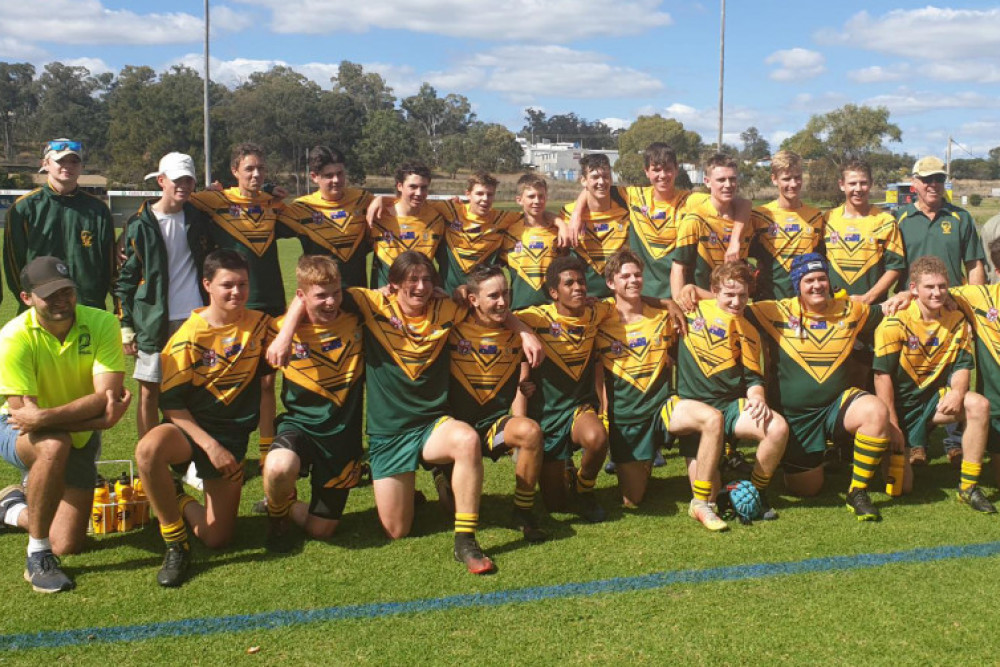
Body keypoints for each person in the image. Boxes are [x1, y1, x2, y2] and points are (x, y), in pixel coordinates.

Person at [269, 251, 541, 573]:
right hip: (389, 433)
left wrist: (523, 330)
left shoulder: (446, 309)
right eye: (412, 281)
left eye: (427, 280)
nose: (422, 287)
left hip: (431, 425)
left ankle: (465, 540)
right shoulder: (369, 304)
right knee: (397, 531)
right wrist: (285, 335)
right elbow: (313, 294)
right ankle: (290, 506)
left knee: (467, 439)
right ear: (393, 285)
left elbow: (490, 307)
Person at [135, 249, 273, 587]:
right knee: (149, 449)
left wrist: (265, 449)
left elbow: (304, 315)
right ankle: (175, 541)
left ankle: (176, 497)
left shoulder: (260, 326)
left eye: (242, 284)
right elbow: (172, 406)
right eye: (227, 285)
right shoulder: (186, 338)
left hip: (233, 437)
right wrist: (210, 447)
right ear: (207, 285)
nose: (237, 292)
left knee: (217, 539)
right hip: (190, 433)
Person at [0, 256, 128, 593]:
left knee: (67, 543)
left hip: (77, 432)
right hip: (19, 432)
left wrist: (50, 415)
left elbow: (108, 394)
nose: (61, 299)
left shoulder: (101, 322)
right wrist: (98, 418)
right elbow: (25, 416)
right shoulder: (13, 336)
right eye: (49, 294)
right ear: (26, 298)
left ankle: (12, 508)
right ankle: (36, 557)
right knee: (54, 445)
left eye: (66, 290)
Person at [743, 253, 894, 520]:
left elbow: (886, 310)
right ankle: (796, 458)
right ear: (797, 285)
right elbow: (729, 305)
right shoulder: (775, 310)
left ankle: (857, 491)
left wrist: (906, 297)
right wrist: (684, 294)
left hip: (837, 408)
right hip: (797, 418)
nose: (817, 285)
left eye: (822, 278)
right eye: (809, 280)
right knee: (808, 489)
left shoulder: (850, 309)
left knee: (875, 411)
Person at [595, 250, 731, 531]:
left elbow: (721, 300)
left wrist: (677, 297)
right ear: (610, 283)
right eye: (625, 276)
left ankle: (701, 503)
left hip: (663, 406)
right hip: (628, 416)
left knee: (712, 418)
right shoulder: (599, 316)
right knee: (633, 499)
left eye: (637, 275)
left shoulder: (663, 314)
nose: (634, 280)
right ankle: (641, 461)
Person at [190, 143, 288, 469]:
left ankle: (265, 454)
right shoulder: (215, 200)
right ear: (234, 171)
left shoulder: (272, 203)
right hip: (231, 303)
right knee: (221, 376)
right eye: (249, 169)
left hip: (271, 301)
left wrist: (274, 192)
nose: (256, 174)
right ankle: (208, 451)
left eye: (260, 168)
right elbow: (176, 201)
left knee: (266, 380)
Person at [873, 256, 994, 512]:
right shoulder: (895, 322)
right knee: (901, 489)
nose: (937, 293)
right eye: (929, 287)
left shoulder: (956, 319)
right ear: (913, 289)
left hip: (933, 401)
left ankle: (969, 487)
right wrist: (892, 424)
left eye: (941, 286)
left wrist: (958, 392)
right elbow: (881, 377)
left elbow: (962, 365)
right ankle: (887, 451)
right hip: (901, 406)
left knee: (978, 405)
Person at [262, 256, 366, 551]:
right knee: (279, 467)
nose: (331, 302)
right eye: (321, 295)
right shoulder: (279, 329)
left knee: (322, 530)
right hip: (301, 427)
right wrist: (285, 335)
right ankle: (277, 515)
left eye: (336, 293)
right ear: (301, 296)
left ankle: (288, 503)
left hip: (342, 439)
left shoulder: (358, 319)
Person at [675, 261, 789, 520]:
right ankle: (722, 473)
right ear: (714, 291)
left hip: (728, 407)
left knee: (778, 428)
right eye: (729, 294)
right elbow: (659, 304)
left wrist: (758, 398)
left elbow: (753, 379)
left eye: (743, 295)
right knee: (709, 496)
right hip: (695, 411)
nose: (737, 301)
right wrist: (684, 291)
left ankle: (756, 491)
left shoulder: (749, 331)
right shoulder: (691, 309)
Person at [114, 152, 213, 438]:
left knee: (193, 392)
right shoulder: (139, 224)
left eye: (189, 179)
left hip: (195, 320)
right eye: (177, 179)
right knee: (150, 393)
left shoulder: (199, 219)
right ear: (161, 181)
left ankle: (189, 459)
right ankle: (149, 459)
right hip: (153, 323)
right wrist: (126, 324)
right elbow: (125, 281)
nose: (183, 185)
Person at [896, 156, 986, 464]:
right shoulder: (900, 218)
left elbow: (974, 264)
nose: (934, 184)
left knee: (955, 372)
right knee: (914, 373)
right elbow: (894, 267)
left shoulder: (960, 218)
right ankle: (915, 441)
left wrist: (972, 304)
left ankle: (955, 440)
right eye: (927, 179)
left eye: (938, 179)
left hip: (952, 307)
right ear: (915, 185)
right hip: (912, 310)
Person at [449, 264, 547, 542]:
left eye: (506, 293)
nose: (502, 302)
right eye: (493, 296)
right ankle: (440, 474)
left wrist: (525, 332)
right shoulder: (452, 324)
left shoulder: (518, 330)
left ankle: (522, 512)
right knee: (449, 508)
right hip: (452, 429)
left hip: (492, 426)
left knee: (530, 431)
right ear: (473, 300)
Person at [516, 255, 613, 522]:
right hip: (545, 413)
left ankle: (585, 489)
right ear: (554, 293)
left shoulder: (596, 312)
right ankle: (565, 470)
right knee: (556, 504)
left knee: (597, 438)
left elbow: (630, 304)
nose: (578, 287)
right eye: (569, 283)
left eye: (581, 282)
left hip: (578, 407)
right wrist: (523, 332)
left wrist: (665, 302)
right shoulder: (536, 317)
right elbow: (501, 317)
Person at [4, 138, 116, 310]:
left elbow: (110, 266)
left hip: (88, 309)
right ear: (46, 164)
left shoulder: (98, 209)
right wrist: (32, 301)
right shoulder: (23, 208)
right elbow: (13, 265)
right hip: (41, 309)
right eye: (60, 160)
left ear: (81, 167)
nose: (68, 166)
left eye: (74, 161)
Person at [280, 146, 373, 288]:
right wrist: (268, 191)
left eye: (340, 173)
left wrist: (381, 200)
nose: (336, 179)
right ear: (314, 177)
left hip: (359, 296)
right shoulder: (301, 208)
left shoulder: (362, 200)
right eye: (329, 176)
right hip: (320, 295)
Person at [823, 160, 906, 304]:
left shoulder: (886, 221)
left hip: (872, 309)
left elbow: (895, 268)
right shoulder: (828, 219)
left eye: (863, 183)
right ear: (841, 185)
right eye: (852, 183)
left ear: (871, 184)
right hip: (832, 308)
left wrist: (867, 298)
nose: (858, 189)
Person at [670, 153, 751, 297]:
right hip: (703, 305)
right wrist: (679, 305)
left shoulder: (747, 220)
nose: (728, 185)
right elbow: (678, 268)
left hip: (736, 304)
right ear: (707, 181)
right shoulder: (695, 219)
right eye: (721, 180)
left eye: (732, 179)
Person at [748, 150, 824, 300]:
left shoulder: (816, 216)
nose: (793, 184)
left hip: (806, 303)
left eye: (797, 177)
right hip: (768, 301)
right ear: (774, 179)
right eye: (786, 179)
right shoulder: (759, 215)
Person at [435, 171, 522, 295]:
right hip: (447, 295)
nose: (485, 199)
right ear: (468, 194)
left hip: (481, 298)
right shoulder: (451, 210)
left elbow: (534, 216)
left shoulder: (502, 218)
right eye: (479, 194)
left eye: (490, 194)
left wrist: (559, 223)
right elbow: (420, 206)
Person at [559, 153, 630, 298]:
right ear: (583, 181)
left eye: (606, 176)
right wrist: (568, 218)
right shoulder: (567, 214)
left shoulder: (627, 204)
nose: (602, 182)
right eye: (595, 177)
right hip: (583, 300)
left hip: (620, 298)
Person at [367, 162, 446, 288]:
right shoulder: (378, 217)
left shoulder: (437, 219)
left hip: (420, 299)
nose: (419, 193)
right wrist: (380, 199)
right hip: (384, 300)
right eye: (413, 187)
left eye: (424, 187)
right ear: (399, 186)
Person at [500, 175, 567, 310]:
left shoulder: (558, 233)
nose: (537, 201)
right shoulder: (508, 232)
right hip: (519, 310)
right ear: (519, 200)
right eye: (531, 196)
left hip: (553, 310)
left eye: (541, 196)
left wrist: (561, 224)